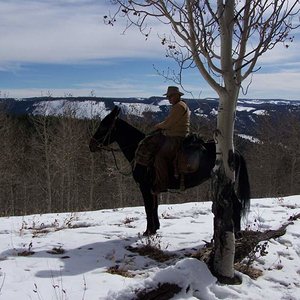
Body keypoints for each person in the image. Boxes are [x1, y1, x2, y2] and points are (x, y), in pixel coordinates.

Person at [152, 86, 190, 194]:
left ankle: (162, 183)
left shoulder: (178, 106)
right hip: (178, 135)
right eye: (168, 96)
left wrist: (158, 126)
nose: (169, 99)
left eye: (171, 96)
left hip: (177, 137)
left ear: (177, 95)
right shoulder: (181, 105)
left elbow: (169, 123)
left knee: (159, 156)